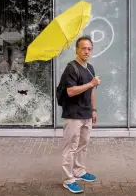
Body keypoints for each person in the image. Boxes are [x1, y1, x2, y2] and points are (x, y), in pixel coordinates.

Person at [59, 36, 101, 194]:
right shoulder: (71, 68)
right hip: (73, 114)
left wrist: (94, 110)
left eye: (89, 49)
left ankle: (79, 171)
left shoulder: (89, 67)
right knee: (70, 148)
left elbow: (91, 92)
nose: (87, 51)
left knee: (83, 145)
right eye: (83, 48)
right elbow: (70, 91)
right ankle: (68, 179)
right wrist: (91, 83)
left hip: (86, 113)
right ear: (76, 49)